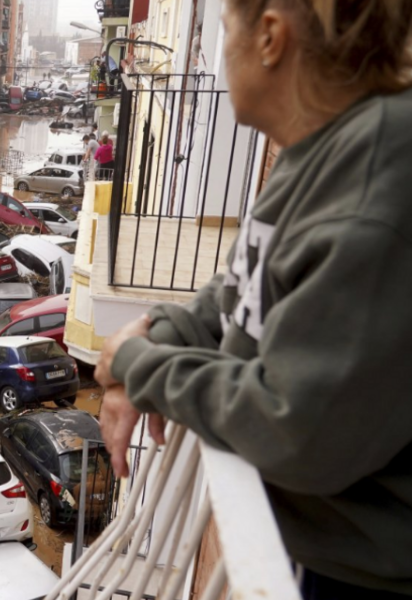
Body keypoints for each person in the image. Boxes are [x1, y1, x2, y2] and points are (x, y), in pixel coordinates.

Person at [93, 1, 412, 598]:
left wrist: (135, 365)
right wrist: (151, 339)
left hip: (364, 579)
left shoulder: (376, 183)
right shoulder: (316, 148)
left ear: (269, 37)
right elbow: (237, 290)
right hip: (321, 553)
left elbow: (299, 431)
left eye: (224, 30)